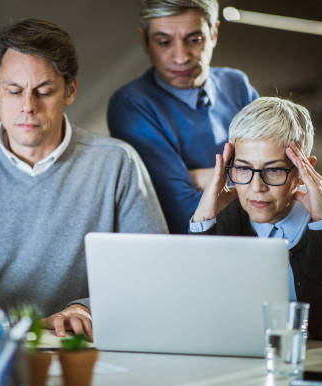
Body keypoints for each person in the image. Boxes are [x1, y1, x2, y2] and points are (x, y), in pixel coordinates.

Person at [0, 19, 168, 338]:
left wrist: (87, 307)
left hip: (75, 346)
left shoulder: (116, 163)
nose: (28, 106)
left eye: (44, 91)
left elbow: (151, 271)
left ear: (70, 90)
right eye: (14, 90)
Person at [189, 97, 322, 340]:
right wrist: (204, 220)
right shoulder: (230, 211)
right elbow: (198, 314)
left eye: (273, 170)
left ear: (304, 171)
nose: (256, 187)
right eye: (243, 168)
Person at [107, 0, 259, 234]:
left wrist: (199, 178)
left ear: (214, 33)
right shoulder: (131, 105)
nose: (181, 57)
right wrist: (248, 175)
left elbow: (280, 178)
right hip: (187, 254)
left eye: (194, 40)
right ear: (144, 41)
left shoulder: (237, 85)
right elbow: (185, 213)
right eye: (164, 42)